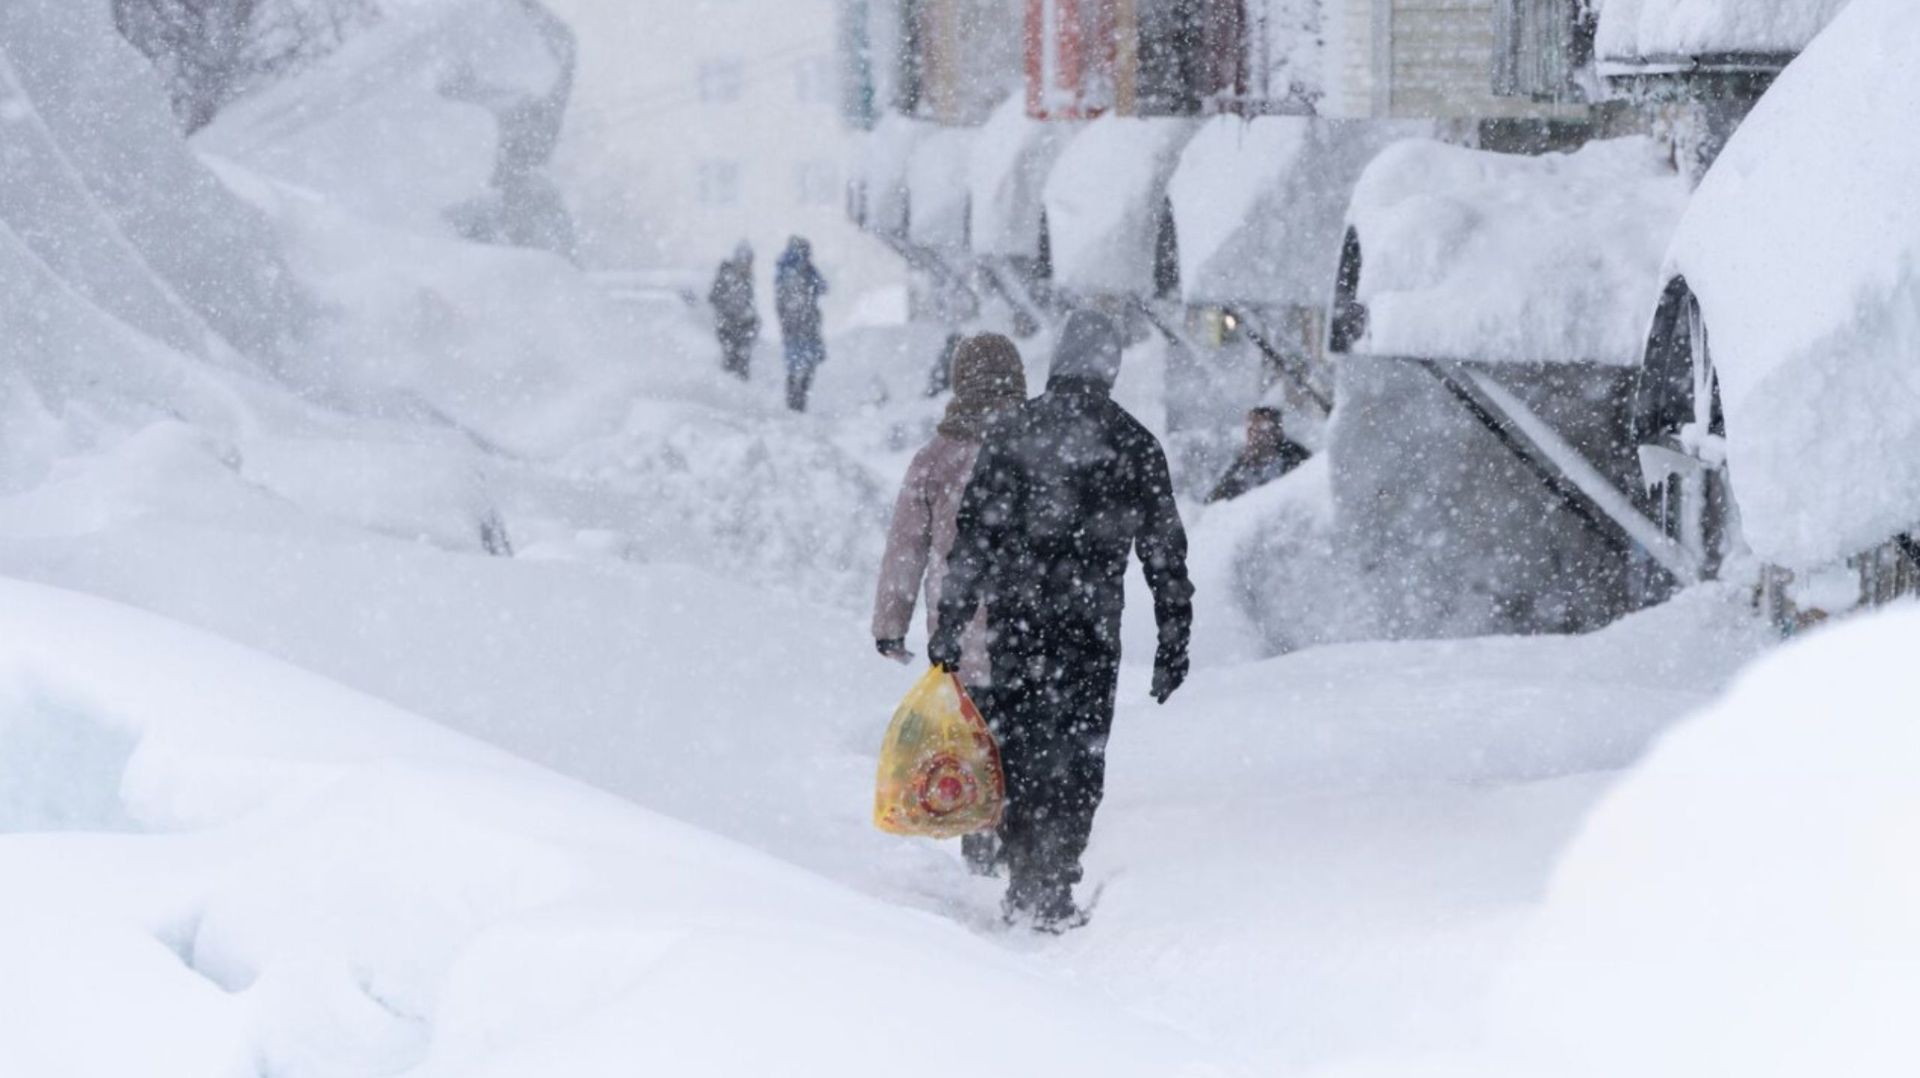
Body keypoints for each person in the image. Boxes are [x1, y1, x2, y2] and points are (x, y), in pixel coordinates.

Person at [930, 310, 1194, 932]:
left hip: (1017, 624)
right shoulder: (1133, 442)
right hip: (1091, 629)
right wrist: (1173, 636)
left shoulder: (1012, 432)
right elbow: (1164, 551)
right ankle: (1055, 875)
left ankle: (1024, 866)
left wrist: (951, 622)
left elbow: (974, 540)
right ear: (1110, 366)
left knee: (1018, 744)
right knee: (1078, 753)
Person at [872, 334, 1030, 876]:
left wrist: (891, 624)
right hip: (1030, 633)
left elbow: (906, 547)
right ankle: (1022, 849)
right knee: (1024, 746)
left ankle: (979, 847)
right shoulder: (1037, 446)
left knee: (970, 748)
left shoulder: (935, 459)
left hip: (960, 637)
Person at [1204, 406, 1312, 504]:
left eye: (1260, 430)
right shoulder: (1239, 470)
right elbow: (1213, 504)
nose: (1254, 438)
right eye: (1250, 430)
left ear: (1277, 432)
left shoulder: (1298, 460)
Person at [774, 236, 829, 411]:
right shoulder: (805, 271)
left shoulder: (783, 271)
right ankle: (799, 400)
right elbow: (823, 287)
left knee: (794, 363)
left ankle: (793, 400)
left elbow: (780, 302)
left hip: (791, 326)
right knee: (808, 362)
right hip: (807, 324)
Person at [707, 243, 759, 380]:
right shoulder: (728, 276)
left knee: (741, 360)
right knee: (732, 359)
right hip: (729, 326)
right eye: (746, 260)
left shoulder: (746, 278)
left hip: (741, 326)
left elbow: (748, 302)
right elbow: (714, 298)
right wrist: (729, 313)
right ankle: (729, 390)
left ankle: (736, 391)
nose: (748, 264)